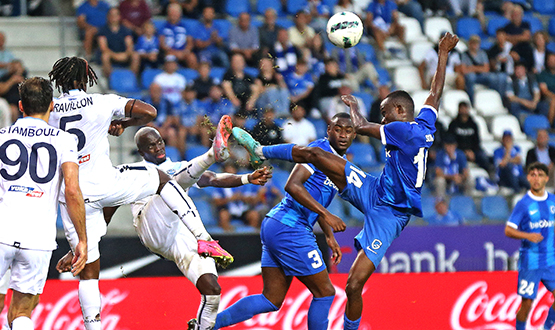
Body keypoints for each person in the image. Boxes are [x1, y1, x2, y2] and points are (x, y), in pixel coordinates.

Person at [231, 32, 459, 329]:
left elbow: (362, 126)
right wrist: (442, 54)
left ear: (400, 112)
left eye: (386, 113)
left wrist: (353, 106)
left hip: (391, 214)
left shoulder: (402, 130)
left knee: (353, 285)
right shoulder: (425, 123)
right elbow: (435, 92)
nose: (385, 118)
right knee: (315, 152)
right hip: (374, 188)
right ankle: (260, 149)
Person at [47, 57, 231, 330]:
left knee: (88, 273)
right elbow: (150, 112)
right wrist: (124, 123)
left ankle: (93, 326)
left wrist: (78, 243)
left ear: (59, 79)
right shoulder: (101, 101)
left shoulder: (50, 110)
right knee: (159, 177)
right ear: (86, 79)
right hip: (105, 183)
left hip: (72, 195)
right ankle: (204, 238)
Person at [57, 125, 273, 330]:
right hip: (152, 228)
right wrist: (82, 244)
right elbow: (107, 213)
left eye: (159, 142)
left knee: (213, 290)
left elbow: (212, 178)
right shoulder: (134, 174)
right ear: (142, 152)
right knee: (168, 181)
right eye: (151, 146)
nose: (158, 147)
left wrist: (246, 178)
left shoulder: (179, 166)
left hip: (182, 233)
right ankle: (212, 155)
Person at [213, 112, 356, 330]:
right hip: (290, 227)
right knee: (325, 292)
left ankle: (208, 325)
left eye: (348, 131)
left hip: (277, 225)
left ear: (354, 134)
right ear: (329, 130)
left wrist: (328, 235)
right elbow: (292, 186)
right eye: (338, 129)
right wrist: (327, 215)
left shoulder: (341, 162)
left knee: (271, 299)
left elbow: (316, 198)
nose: (343, 135)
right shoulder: (319, 151)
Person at [0, 77, 88, 330]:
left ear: (20, 106)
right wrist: (81, 240)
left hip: (2, 227)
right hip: (37, 237)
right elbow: (72, 190)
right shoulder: (64, 140)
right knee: (21, 311)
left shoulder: (2, 136)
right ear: (51, 105)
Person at [505, 162, 555, 330]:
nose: (536, 178)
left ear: (546, 178)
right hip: (530, 262)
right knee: (526, 305)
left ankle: (546, 327)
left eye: (540, 175)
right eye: (533, 175)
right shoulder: (524, 204)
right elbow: (508, 230)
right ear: (528, 178)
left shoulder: (553, 201)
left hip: (550, 259)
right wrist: (528, 235)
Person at [447, 101, 492, 172]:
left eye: (465, 108)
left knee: (484, 157)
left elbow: (477, 141)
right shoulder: (453, 124)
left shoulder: (473, 124)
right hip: (459, 150)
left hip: (473, 150)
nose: (464, 111)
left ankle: (490, 175)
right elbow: (451, 141)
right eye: (462, 109)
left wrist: (472, 151)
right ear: (459, 110)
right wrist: (465, 151)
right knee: (459, 156)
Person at [97, 7, 140, 77]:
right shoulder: (103, 30)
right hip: (111, 55)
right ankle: (110, 79)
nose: (114, 17)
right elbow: (103, 47)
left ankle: (132, 78)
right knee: (105, 56)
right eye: (112, 15)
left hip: (124, 54)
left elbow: (130, 45)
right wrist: (115, 56)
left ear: (119, 16)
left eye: (116, 15)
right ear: (108, 17)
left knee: (136, 55)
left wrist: (125, 54)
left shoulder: (125, 30)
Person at [159, 3, 197, 69]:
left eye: (176, 13)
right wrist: (173, 52)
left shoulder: (185, 26)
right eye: (172, 12)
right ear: (168, 14)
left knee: (192, 57)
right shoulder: (163, 27)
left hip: (183, 52)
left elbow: (190, 42)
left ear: (180, 14)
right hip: (169, 51)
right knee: (169, 56)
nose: (174, 15)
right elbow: (162, 43)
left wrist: (186, 51)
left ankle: (192, 77)